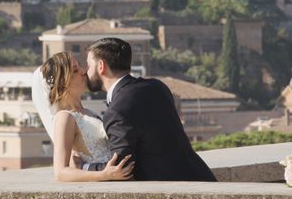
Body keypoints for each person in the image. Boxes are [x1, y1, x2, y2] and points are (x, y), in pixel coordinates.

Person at [84, 37, 217, 181]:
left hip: (177, 190)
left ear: (101, 66)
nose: (86, 72)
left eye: (89, 66)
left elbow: (121, 167)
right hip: (201, 176)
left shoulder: (117, 111)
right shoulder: (157, 87)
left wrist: (85, 167)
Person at [34, 52, 134, 182]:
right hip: (105, 184)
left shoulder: (89, 112)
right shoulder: (64, 118)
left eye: (80, 66)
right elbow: (60, 173)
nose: (83, 71)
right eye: (75, 70)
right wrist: (104, 175)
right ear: (62, 82)